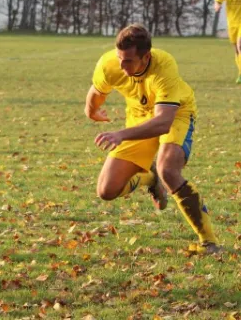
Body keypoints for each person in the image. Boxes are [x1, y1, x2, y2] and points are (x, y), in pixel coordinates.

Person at [85, 24, 220, 254]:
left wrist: (121, 134)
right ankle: (150, 179)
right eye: (119, 58)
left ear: (146, 56)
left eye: (127, 60)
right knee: (107, 191)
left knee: (168, 168)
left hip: (175, 114)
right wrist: (92, 112)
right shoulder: (109, 65)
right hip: (139, 118)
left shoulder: (163, 66)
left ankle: (209, 242)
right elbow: (96, 93)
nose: (121, 65)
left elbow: (162, 123)